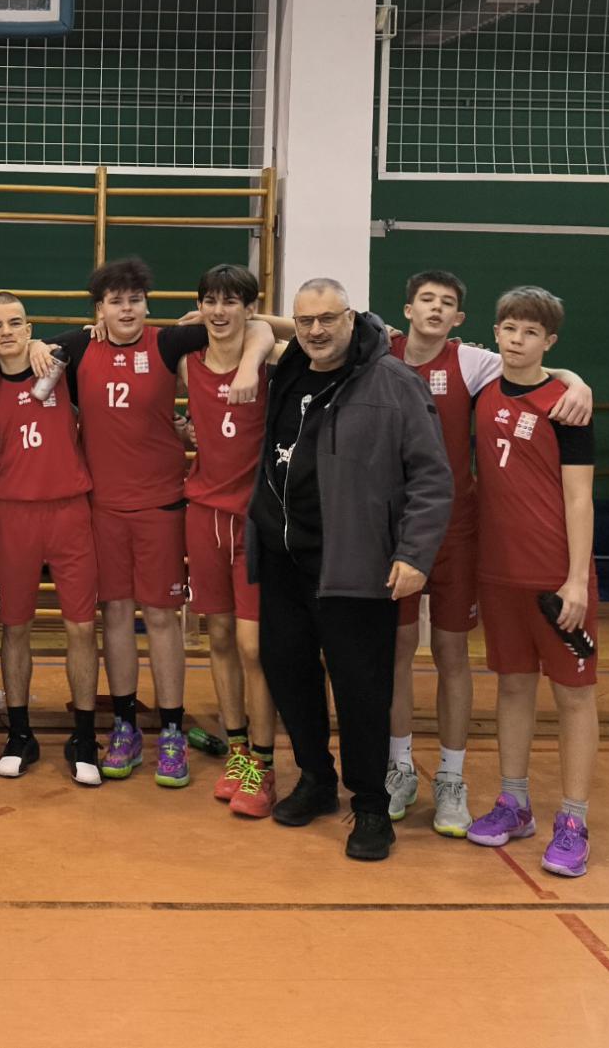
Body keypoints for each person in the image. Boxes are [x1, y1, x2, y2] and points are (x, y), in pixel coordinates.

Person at [384, 272, 592, 836]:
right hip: (396, 532)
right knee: (397, 651)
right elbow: (310, 329)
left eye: (447, 303)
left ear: (459, 319)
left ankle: (451, 778)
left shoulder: (474, 364)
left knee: (452, 653)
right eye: (426, 299)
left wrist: (578, 382)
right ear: (407, 308)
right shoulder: (379, 350)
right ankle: (399, 768)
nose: (435, 308)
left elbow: (538, 371)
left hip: (460, 534)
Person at [48, 258, 269, 789]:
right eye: (115, 302)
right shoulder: (79, 348)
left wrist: (248, 361)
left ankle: (172, 729)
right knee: (116, 615)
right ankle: (125, 725)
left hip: (163, 504)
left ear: (147, 305)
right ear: (98, 310)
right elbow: (26, 350)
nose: (126, 310)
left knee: (163, 617)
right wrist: (36, 344)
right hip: (103, 507)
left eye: (135, 300)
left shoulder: (171, 343)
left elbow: (257, 326)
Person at [250, 278, 450, 862]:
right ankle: (315, 778)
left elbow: (431, 476)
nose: (315, 330)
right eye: (304, 320)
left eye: (327, 319)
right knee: (288, 673)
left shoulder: (394, 382)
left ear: (351, 318)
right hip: (284, 558)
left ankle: (370, 806)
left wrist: (413, 553)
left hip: (355, 562)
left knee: (361, 690)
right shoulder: (289, 371)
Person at [464, 287, 599, 878]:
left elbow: (580, 497)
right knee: (513, 687)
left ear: (550, 342)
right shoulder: (482, 387)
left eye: (530, 332)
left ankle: (574, 821)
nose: (517, 340)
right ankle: (514, 803)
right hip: (498, 572)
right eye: (509, 329)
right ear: (496, 332)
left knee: (574, 695)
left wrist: (577, 581)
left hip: (555, 577)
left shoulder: (567, 404)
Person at [0, 292, 103, 784]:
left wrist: (45, 345)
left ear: (29, 328)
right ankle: (20, 735)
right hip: (14, 517)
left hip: (70, 512)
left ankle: (85, 737)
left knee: (81, 628)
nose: (7, 332)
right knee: (15, 628)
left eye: (16, 323)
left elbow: (92, 335)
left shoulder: (58, 366)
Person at [180, 264, 281, 817]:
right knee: (217, 638)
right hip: (203, 515)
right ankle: (238, 753)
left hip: (254, 521)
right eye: (211, 301)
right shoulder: (186, 360)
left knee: (253, 647)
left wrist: (256, 342)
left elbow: (291, 332)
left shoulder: (271, 359)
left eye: (231, 301)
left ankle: (264, 764)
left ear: (249, 307)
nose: (219, 311)